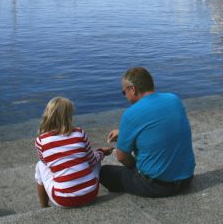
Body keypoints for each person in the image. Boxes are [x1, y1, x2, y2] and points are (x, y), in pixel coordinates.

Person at [100, 67, 194, 197]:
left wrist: (135, 167)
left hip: (157, 186)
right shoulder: (174, 99)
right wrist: (124, 133)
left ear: (132, 89)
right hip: (186, 179)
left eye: (124, 92)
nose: (125, 96)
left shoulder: (131, 114)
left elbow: (122, 157)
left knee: (104, 172)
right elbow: (160, 127)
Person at [34, 97, 113, 208]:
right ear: (68, 115)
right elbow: (92, 161)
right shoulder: (79, 133)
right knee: (96, 159)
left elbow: (46, 163)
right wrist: (101, 152)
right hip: (91, 194)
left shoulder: (41, 141)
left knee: (39, 165)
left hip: (63, 200)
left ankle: (44, 206)